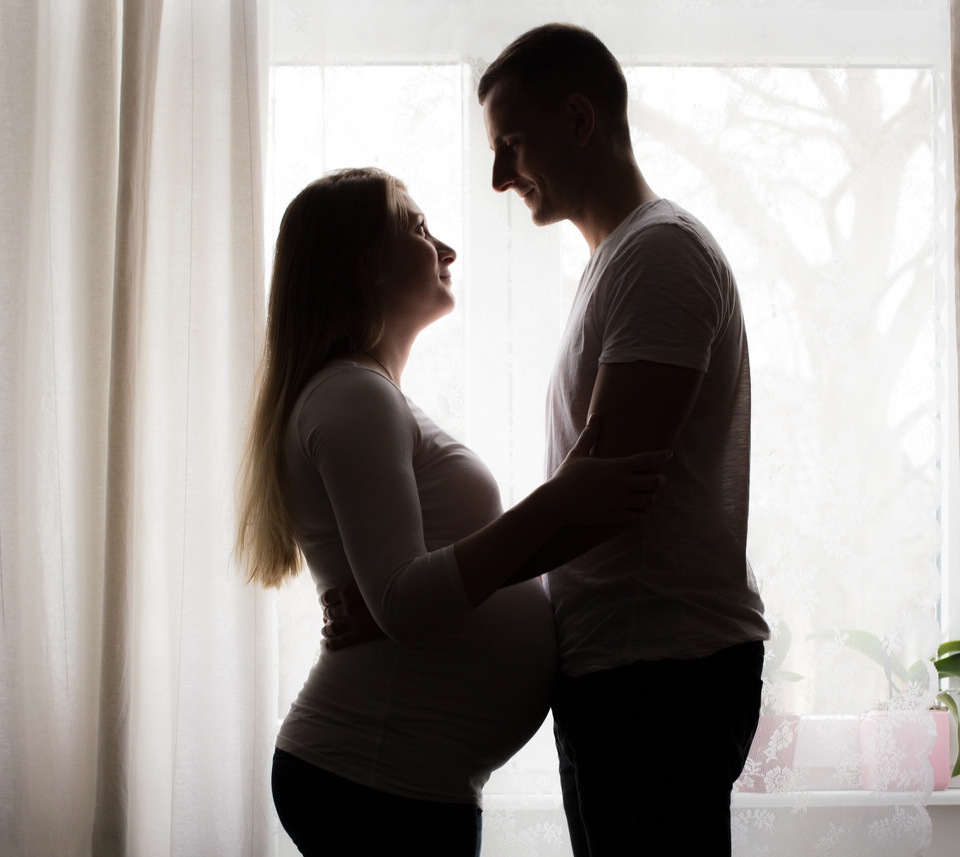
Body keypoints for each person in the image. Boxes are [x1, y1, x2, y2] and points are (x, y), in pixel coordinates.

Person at [326, 23, 772, 856]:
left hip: (659, 675)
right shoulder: (619, 261)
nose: (500, 177)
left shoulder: (659, 255)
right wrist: (412, 594)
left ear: (578, 120)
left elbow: (605, 496)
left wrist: (409, 604)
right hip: (631, 670)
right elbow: (582, 500)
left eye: (511, 145)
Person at [235, 167, 667, 857]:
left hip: (398, 780)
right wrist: (560, 500)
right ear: (367, 265)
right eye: (417, 227)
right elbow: (405, 599)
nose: (447, 250)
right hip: (376, 777)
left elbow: (397, 592)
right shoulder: (353, 396)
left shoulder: (362, 394)